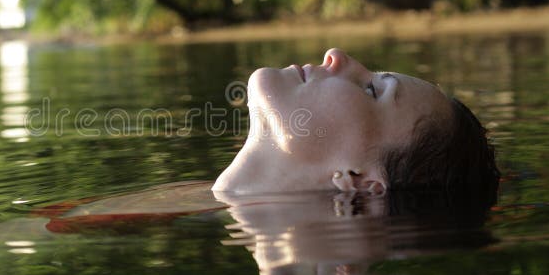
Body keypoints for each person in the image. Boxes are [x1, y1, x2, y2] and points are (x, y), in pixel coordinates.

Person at [212, 48, 500, 197]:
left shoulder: (192, 219)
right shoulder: (179, 207)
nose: (335, 55)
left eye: (371, 90)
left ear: (360, 181)